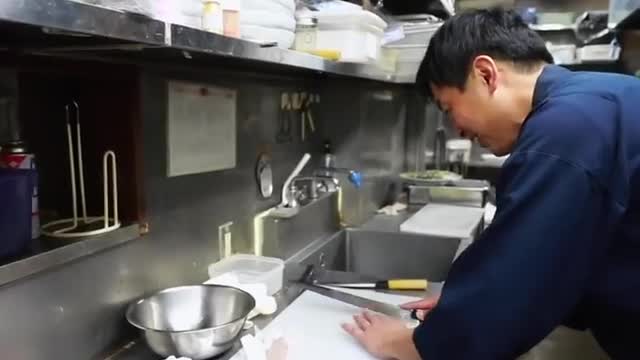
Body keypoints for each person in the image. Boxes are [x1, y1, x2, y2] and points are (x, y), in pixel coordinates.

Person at [343, 7, 640, 360]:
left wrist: (408, 345)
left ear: (485, 74)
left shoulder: (565, 130)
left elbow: (521, 266)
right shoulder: (596, 99)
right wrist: (470, 303)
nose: (458, 130)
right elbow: (557, 260)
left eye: (449, 107)